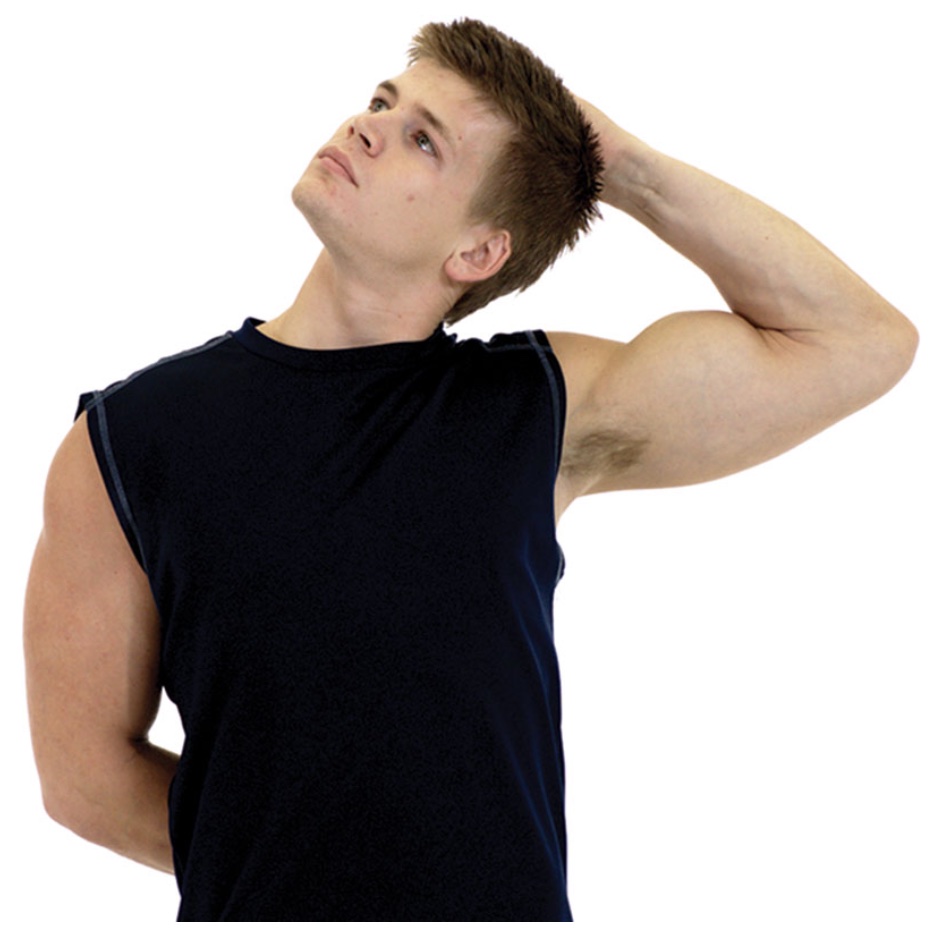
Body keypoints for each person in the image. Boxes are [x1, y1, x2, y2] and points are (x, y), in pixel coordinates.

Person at [23, 18, 916, 922]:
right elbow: (85, 779)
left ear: (479, 251)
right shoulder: (128, 439)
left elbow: (857, 342)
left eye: (424, 139)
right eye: (382, 101)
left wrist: (624, 168)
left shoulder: (537, 409)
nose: (368, 125)